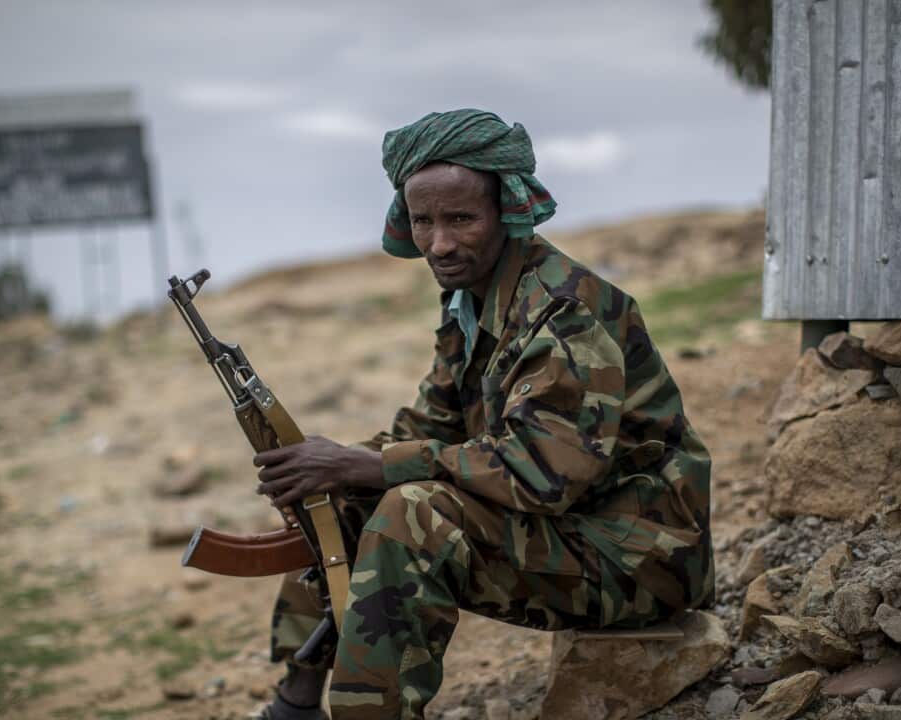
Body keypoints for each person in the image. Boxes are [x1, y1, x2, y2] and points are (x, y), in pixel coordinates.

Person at [252, 109, 714, 720]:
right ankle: (297, 700)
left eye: (461, 219)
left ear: (509, 211)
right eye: (423, 221)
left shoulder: (563, 315)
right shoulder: (474, 297)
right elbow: (432, 427)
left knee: (411, 514)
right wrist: (329, 463)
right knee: (343, 494)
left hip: (639, 557)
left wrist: (369, 465)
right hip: (573, 533)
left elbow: (541, 476)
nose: (439, 244)